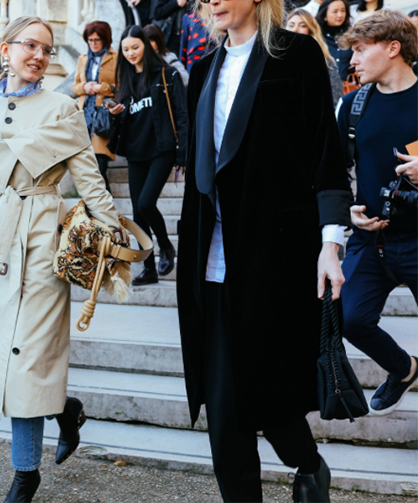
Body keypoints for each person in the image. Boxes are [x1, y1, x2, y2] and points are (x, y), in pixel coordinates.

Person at [176, 0, 352, 498]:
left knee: (264, 396)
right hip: (210, 260)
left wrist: (330, 243)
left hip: (275, 256)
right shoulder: (202, 68)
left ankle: (308, 463)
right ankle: (304, 469)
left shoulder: (294, 55)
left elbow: (325, 154)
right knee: (225, 409)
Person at [0, 16, 121, 503]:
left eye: (47, 50)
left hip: (45, 244)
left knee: (27, 361)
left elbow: (88, 180)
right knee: (10, 361)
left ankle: (25, 474)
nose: (39, 56)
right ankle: (65, 410)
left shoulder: (64, 108)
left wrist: (112, 234)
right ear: (6, 50)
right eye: (30, 46)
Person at [335, 9, 418, 416]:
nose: (352, 60)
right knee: (349, 319)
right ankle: (403, 370)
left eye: (360, 50)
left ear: (392, 48)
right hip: (371, 239)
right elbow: (331, 175)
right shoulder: (351, 106)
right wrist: (347, 211)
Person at [107, 25, 188, 286]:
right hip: (136, 152)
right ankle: (150, 268)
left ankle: (166, 247)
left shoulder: (168, 75)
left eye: (135, 47)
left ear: (146, 45)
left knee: (145, 203)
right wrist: (115, 116)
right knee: (138, 215)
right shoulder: (125, 82)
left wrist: (183, 153)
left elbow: (183, 116)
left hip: (162, 150)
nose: (131, 53)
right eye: (126, 49)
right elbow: (121, 127)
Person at [72, 20, 118, 192]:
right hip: (85, 113)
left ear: (105, 39)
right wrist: (84, 87)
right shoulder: (82, 59)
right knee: (86, 162)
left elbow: (122, 87)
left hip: (103, 113)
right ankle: (98, 201)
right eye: (90, 40)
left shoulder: (115, 57)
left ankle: (103, 200)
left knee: (100, 162)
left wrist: (102, 88)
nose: (93, 44)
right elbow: (75, 87)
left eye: (96, 40)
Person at [286, 8, 344, 105]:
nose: (295, 29)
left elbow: (335, 97)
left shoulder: (324, 60)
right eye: (291, 25)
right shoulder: (275, 59)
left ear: (310, 31)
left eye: (302, 25)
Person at [317, 0, 354, 80]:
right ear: (324, 15)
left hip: (346, 87)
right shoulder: (317, 37)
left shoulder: (351, 35)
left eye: (343, 11)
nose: (340, 15)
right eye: (335, 11)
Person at [179, 2, 213, 74]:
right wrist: (182, 69)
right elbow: (183, 44)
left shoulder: (216, 16)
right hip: (194, 60)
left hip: (213, 57)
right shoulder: (188, 17)